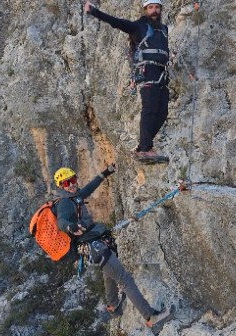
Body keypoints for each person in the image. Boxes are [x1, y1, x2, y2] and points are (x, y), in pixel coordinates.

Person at [53, 165, 170, 327]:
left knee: (110, 272)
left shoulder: (76, 196)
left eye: (72, 180)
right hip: (93, 246)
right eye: (66, 183)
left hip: (97, 243)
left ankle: (113, 305)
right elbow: (61, 221)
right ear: (61, 186)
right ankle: (150, 317)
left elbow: (89, 187)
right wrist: (69, 227)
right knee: (124, 279)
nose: (71, 185)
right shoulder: (65, 202)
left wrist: (106, 172)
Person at [84, 0, 170, 161]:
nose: (155, 11)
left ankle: (142, 146)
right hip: (147, 71)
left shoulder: (163, 30)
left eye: (157, 7)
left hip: (162, 72)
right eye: (151, 7)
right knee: (149, 110)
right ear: (145, 10)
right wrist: (94, 11)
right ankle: (145, 149)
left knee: (163, 112)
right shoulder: (138, 27)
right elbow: (115, 22)